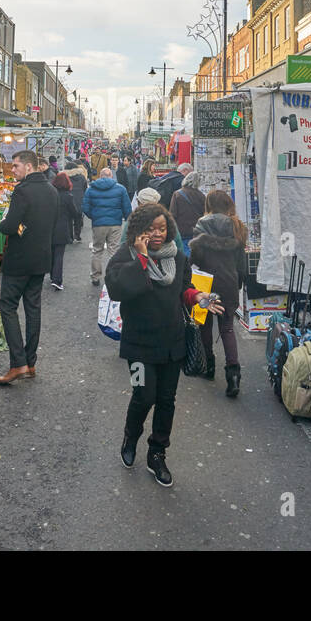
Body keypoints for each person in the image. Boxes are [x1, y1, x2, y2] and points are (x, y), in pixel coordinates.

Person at [105, 203, 223, 487]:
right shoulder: (126, 255)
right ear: (138, 231)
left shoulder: (178, 257)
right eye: (150, 229)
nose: (157, 234)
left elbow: (183, 288)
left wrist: (197, 297)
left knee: (167, 401)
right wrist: (142, 259)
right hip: (137, 344)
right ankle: (130, 437)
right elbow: (117, 289)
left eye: (161, 228)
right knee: (143, 396)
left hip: (172, 342)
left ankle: (157, 453)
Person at [0, 150, 58, 385]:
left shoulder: (22, 191)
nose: (12, 170)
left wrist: (5, 223)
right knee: (33, 308)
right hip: (41, 259)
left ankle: (18, 363)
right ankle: (30, 362)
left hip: (20, 259)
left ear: (29, 167)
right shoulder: (52, 190)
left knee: (8, 307)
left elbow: (9, 226)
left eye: (15, 166)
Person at [189, 190, 248, 398]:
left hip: (206, 282)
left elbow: (195, 258)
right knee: (227, 328)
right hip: (229, 283)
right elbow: (242, 263)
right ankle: (233, 375)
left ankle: (209, 366)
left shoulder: (201, 225)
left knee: (204, 324)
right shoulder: (237, 227)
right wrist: (239, 283)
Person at [81, 167, 131, 286]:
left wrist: (94, 216)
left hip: (98, 224)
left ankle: (95, 277)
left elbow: (85, 207)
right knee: (113, 250)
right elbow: (127, 208)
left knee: (97, 250)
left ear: (100, 175)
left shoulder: (91, 189)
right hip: (115, 224)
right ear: (111, 176)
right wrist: (125, 218)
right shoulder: (120, 189)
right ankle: (113, 275)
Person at [49, 172, 78, 290]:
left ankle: (52, 276)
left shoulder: (50, 194)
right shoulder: (68, 196)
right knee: (59, 255)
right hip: (62, 228)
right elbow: (74, 212)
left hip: (49, 227)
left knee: (51, 252)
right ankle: (57, 280)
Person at [169, 171, 206, 254]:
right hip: (197, 230)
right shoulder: (201, 196)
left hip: (182, 230)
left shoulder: (177, 194)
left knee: (184, 253)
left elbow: (172, 215)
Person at [62, 161, 88, 242]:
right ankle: (77, 235)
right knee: (78, 218)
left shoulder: (64, 177)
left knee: (69, 219)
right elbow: (85, 188)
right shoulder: (82, 177)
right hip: (79, 199)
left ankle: (70, 236)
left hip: (68, 200)